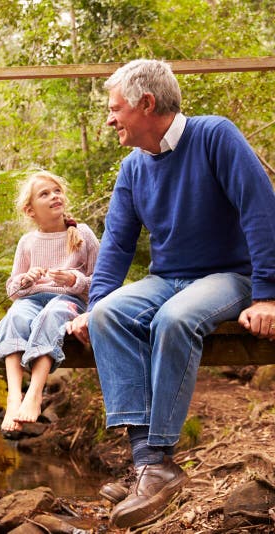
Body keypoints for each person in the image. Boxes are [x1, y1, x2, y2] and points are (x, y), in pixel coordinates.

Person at [66, 59, 275, 529]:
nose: (109, 118)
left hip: (229, 275)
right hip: (169, 277)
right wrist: (94, 306)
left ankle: (157, 459)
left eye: (115, 108)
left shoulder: (215, 136)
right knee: (107, 316)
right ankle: (149, 464)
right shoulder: (133, 168)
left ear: (147, 104)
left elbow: (260, 210)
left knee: (175, 319)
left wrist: (267, 295)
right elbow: (117, 244)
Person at [0, 171, 99, 432]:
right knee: (15, 317)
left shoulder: (83, 234)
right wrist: (26, 280)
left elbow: (100, 282)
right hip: (31, 299)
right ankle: (14, 396)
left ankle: (35, 393)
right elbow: (13, 291)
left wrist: (73, 280)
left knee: (50, 315)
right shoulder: (27, 242)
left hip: (68, 301)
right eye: (45, 194)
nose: (54, 196)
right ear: (30, 211)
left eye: (57, 191)